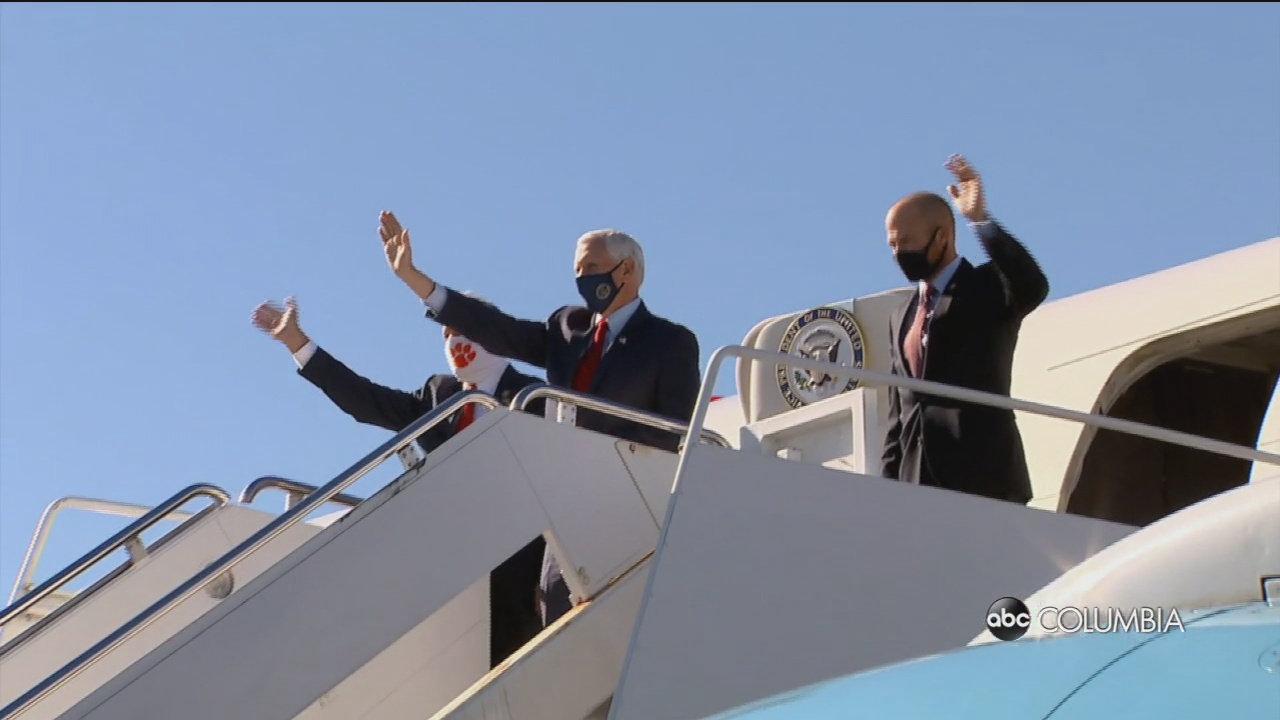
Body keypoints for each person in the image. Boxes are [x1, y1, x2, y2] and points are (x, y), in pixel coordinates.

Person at [374, 210, 702, 626]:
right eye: (577, 270)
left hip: (624, 501)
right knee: (557, 617)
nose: (582, 278)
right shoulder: (568, 328)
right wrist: (415, 279)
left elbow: (674, 434)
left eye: (592, 268)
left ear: (627, 270)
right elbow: (498, 328)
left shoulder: (670, 342)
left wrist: (601, 453)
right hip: (562, 507)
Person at [249, 294, 547, 669]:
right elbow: (366, 401)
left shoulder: (535, 396)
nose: (453, 341)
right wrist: (298, 342)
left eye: (461, 328)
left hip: (519, 554)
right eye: (445, 334)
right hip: (453, 555)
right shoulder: (440, 395)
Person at [879, 154, 1050, 505]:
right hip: (916, 486)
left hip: (982, 477)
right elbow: (899, 414)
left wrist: (980, 220)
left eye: (907, 242)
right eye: (892, 245)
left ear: (942, 237)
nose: (898, 254)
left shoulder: (986, 288)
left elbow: (1032, 285)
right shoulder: (901, 315)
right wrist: (884, 490)